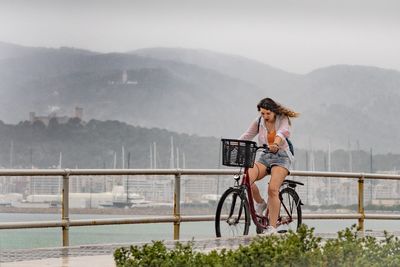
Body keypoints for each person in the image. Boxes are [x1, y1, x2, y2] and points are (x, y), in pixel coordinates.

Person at [239, 97, 299, 234]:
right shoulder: (259, 121)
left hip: (282, 157)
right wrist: (236, 144)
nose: (265, 117)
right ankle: (260, 203)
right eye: (262, 113)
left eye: (268, 114)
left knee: (272, 189)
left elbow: (282, 133)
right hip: (264, 156)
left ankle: (271, 228)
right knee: (247, 178)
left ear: (274, 112)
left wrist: (276, 144)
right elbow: (248, 135)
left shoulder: (282, 119)